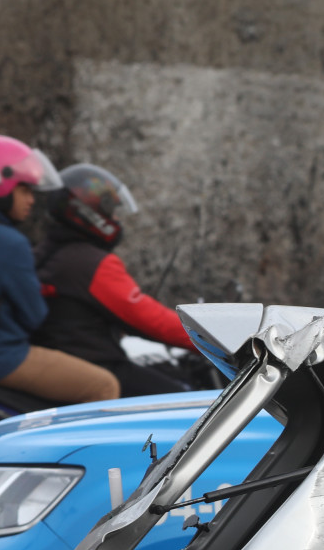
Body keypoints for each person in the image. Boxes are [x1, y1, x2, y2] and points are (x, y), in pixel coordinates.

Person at [0, 135, 119, 405]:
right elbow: (35, 314)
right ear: (3, 187)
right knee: (104, 386)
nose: (31, 200)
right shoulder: (9, 242)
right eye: (25, 190)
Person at [33, 163, 203, 397]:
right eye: (110, 211)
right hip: (95, 363)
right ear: (88, 213)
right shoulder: (91, 263)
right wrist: (210, 339)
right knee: (186, 400)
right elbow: (149, 319)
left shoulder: (47, 252)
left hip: (63, 360)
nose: (115, 219)